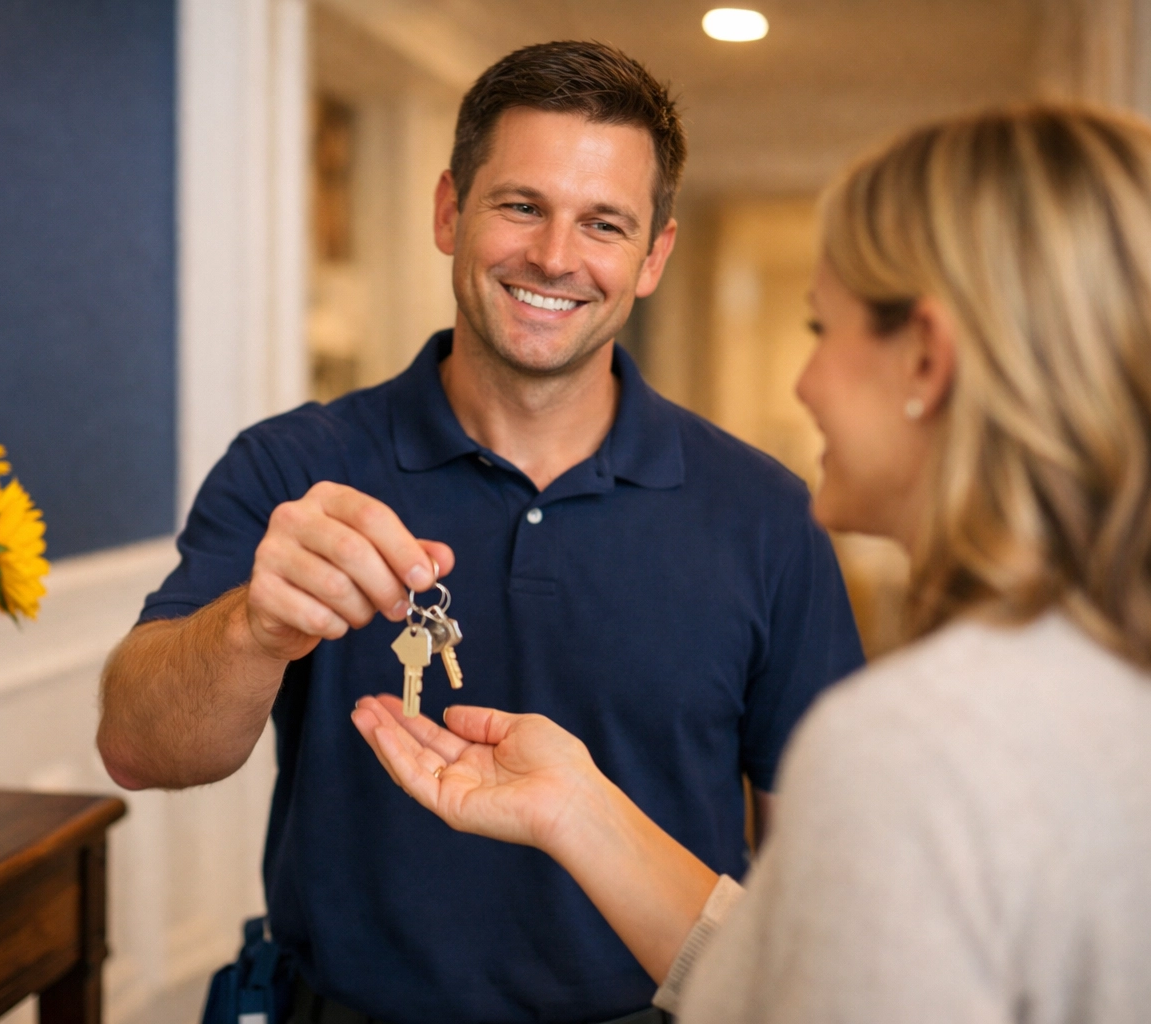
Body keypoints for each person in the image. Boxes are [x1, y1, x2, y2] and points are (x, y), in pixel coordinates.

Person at [97, 40, 863, 1024]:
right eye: (521, 206)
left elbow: (820, 875)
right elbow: (137, 749)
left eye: (604, 223)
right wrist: (255, 627)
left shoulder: (767, 514)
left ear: (653, 257)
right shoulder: (292, 469)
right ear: (449, 211)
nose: (555, 256)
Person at [353, 103, 1151, 1024]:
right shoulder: (1103, 689)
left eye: (822, 329)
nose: (805, 384)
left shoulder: (912, 748)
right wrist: (579, 811)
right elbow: (806, 987)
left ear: (926, 361)